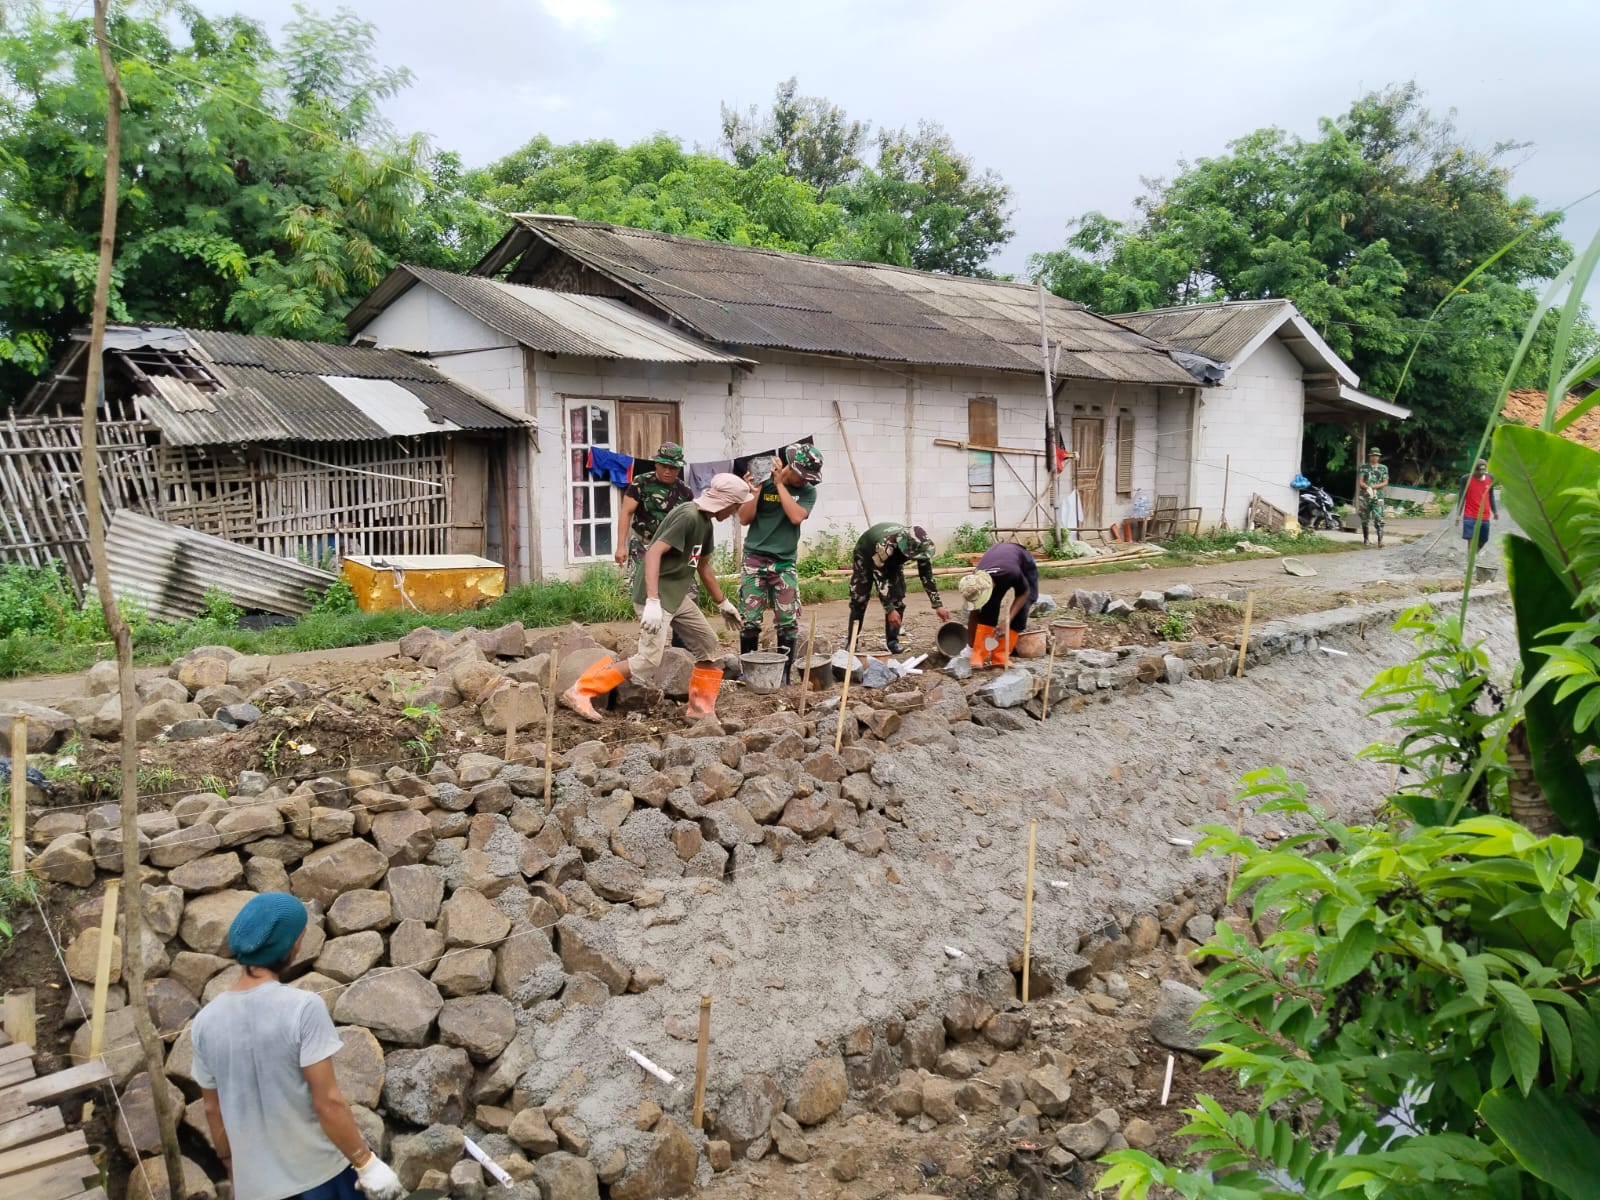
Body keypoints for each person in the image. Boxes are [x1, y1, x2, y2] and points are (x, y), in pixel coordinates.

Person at [191, 893, 404, 1200]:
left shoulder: (204, 1022)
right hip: (318, 1180)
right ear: (290, 946)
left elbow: (213, 1109)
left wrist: (230, 1166)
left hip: (256, 1189)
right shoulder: (303, 1008)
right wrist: (366, 1163)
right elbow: (327, 1102)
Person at [562, 473, 752, 722]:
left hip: (674, 595)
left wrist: (722, 603)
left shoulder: (705, 523)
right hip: (655, 595)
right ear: (727, 503)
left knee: (708, 645)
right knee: (648, 660)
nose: (736, 512)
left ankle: (699, 712)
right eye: (737, 506)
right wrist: (652, 601)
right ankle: (580, 691)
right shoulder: (688, 516)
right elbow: (652, 554)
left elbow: (702, 565)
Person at [738, 443, 823, 684]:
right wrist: (754, 491)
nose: (806, 480)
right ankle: (748, 670)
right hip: (755, 558)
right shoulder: (761, 481)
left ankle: (784, 674)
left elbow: (796, 516)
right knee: (750, 620)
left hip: (784, 563)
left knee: (787, 620)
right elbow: (744, 518)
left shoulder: (807, 492)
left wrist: (779, 486)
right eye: (802, 474)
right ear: (791, 466)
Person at [845, 522, 954, 654]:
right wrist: (889, 609)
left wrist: (937, 604)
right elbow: (881, 579)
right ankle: (851, 643)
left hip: (892, 561)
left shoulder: (922, 546)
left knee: (897, 599)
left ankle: (892, 643)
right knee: (859, 599)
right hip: (866, 555)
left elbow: (927, 575)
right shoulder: (886, 546)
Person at [614, 442, 693, 582]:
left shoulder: (684, 491)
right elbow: (626, 512)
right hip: (643, 544)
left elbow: (692, 523)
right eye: (664, 466)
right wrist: (621, 546)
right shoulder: (641, 482)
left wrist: (692, 553)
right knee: (640, 590)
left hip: (671, 548)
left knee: (682, 591)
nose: (668, 471)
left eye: (673, 467)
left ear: (679, 468)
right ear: (656, 464)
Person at [959, 542, 1040, 669]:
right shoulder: (977, 580)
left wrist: (1007, 620)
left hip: (1023, 563)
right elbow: (974, 614)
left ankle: (1000, 656)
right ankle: (980, 654)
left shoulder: (1012, 573)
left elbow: (1024, 593)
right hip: (998, 564)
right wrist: (971, 648)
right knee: (989, 607)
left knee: (1024, 605)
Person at [1458, 458, 1498, 549]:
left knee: (1484, 539)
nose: (1480, 475)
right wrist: (1458, 514)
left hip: (1484, 515)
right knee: (1470, 537)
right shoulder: (1466, 479)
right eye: (1478, 473)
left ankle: (1474, 554)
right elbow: (1461, 497)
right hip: (1470, 514)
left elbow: (1491, 495)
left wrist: (1495, 511)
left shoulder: (1490, 478)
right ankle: (1470, 559)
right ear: (1474, 470)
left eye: (1482, 472)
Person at [1357, 447, 1389, 547]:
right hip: (1365, 496)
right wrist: (1368, 487)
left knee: (1379, 517)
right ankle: (1366, 539)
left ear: (1379, 457)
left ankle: (1380, 541)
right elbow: (1361, 481)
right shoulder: (1364, 467)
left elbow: (1385, 482)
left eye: (1377, 456)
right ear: (1370, 456)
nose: (1375, 457)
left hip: (1379, 496)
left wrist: (1375, 487)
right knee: (1364, 517)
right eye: (1373, 455)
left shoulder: (1383, 468)